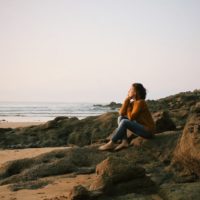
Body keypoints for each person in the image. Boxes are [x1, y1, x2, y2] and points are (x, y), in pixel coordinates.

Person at [99, 83, 155, 151]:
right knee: (120, 118)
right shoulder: (133, 103)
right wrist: (127, 100)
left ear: (135, 92)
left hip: (148, 131)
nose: (128, 91)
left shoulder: (141, 102)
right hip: (141, 128)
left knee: (124, 121)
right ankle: (124, 141)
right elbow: (121, 113)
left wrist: (128, 107)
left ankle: (112, 142)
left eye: (130, 89)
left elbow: (131, 117)